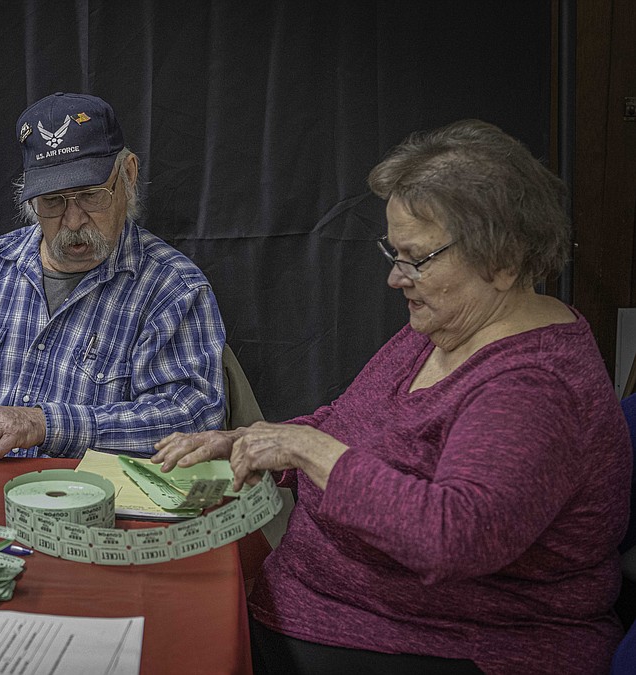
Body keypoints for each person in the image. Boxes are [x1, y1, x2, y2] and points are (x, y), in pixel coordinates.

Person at [152, 119, 631, 674]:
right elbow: (350, 425)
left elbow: (451, 538)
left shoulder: (533, 389)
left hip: (440, 647)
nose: (395, 278)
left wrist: (308, 450)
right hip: (324, 609)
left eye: (417, 258)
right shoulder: (445, 326)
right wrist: (252, 442)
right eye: (394, 253)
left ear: (503, 260)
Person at [0, 92, 226, 462]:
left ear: (127, 175)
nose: (73, 221)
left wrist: (45, 424)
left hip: (82, 506)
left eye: (91, 195)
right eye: (53, 201)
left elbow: (193, 418)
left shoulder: (172, 288)